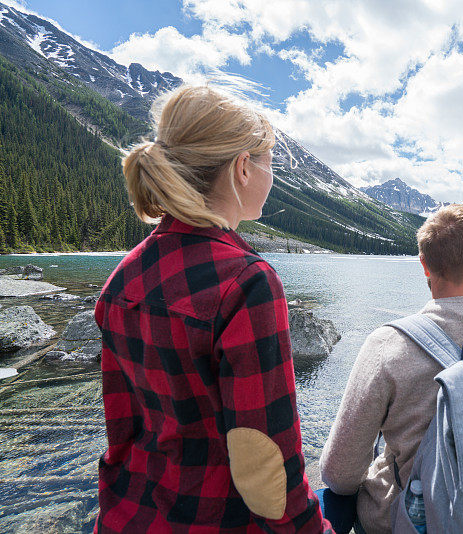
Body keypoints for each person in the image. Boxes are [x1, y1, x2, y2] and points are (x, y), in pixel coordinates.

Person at [94, 86, 333, 533]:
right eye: (269, 163)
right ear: (243, 167)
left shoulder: (122, 277)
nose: (271, 175)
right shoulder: (247, 282)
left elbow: (122, 429)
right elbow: (266, 462)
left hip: (127, 516)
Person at [319, 204, 463, 534]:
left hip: (408, 523)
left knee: (328, 498)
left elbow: (340, 475)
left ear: (424, 264)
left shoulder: (388, 345)